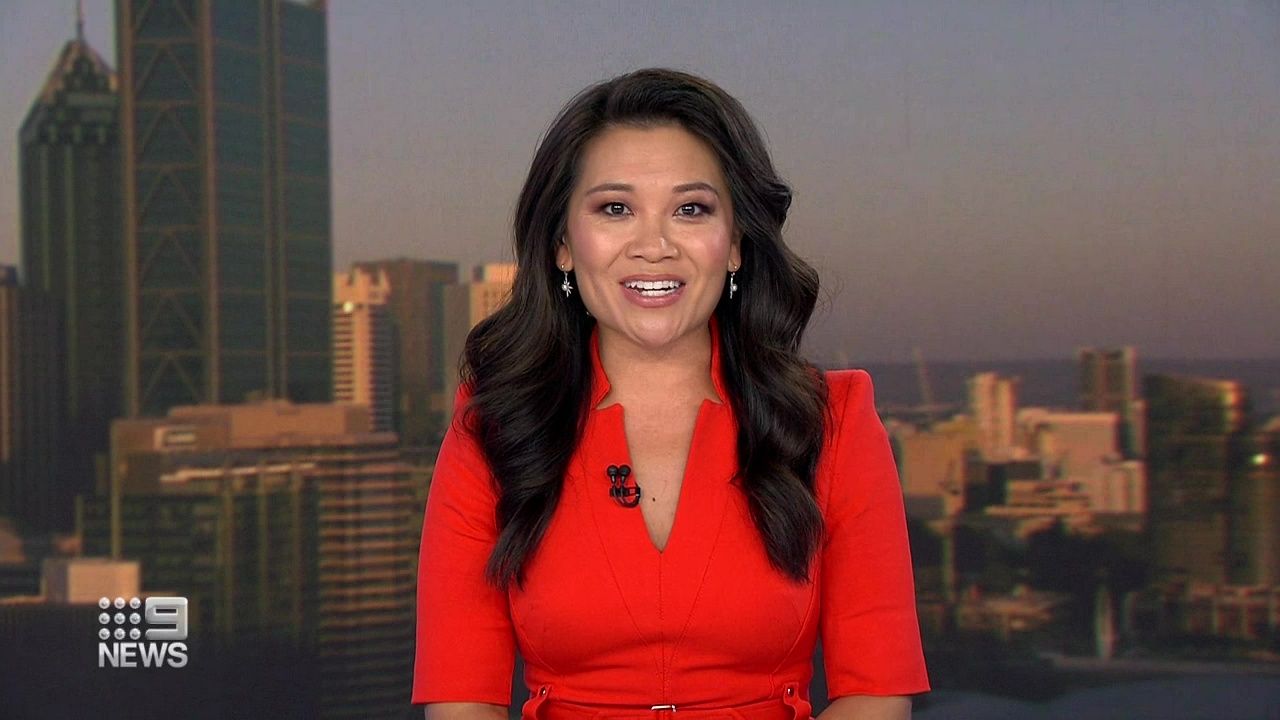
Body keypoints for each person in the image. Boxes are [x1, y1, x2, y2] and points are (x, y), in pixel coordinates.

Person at [413, 68, 929, 720]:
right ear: (563, 245)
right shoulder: (494, 426)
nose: (653, 247)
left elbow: (875, 696)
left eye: (691, 209)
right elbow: (461, 702)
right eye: (615, 209)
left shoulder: (832, 421)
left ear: (735, 243)